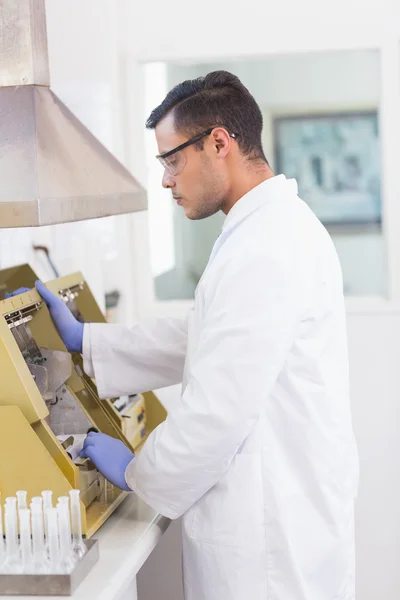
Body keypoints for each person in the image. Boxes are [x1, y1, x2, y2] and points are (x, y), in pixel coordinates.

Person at [10, 71, 359, 600]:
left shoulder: (266, 246)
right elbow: (206, 336)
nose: (167, 179)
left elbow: (218, 409)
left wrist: (140, 471)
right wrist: (89, 340)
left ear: (219, 142)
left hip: (271, 549)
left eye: (172, 160)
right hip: (280, 523)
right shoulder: (265, 230)